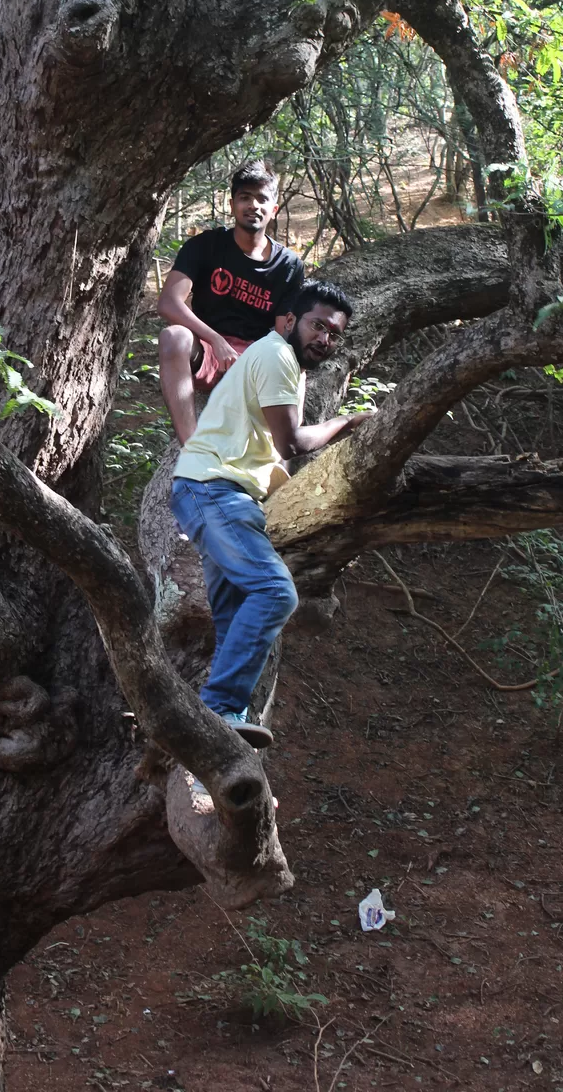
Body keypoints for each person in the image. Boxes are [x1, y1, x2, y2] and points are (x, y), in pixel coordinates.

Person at [169, 279, 370, 777]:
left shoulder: (275, 361)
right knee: (276, 593)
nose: (325, 338)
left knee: (234, 614)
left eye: (335, 333)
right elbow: (295, 442)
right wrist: (349, 422)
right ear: (286, 321)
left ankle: (198, 743)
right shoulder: (277, 354)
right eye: (317, 325)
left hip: (215, 493)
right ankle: (218, 710)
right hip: (214, 489)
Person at [157, 158, 304, 445]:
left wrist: (253, 363)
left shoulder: (288, 265)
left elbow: (282, 334)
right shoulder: (206, 246)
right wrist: (215, 340)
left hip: (256, 361)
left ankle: (286, 445)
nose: (253, 205)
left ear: (273, 210)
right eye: (245, 197)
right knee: (173, 337)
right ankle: (191, 447)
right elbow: (168, 303)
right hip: (209, 353)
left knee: (295, 358)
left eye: (262, 198)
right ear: (232, 204)